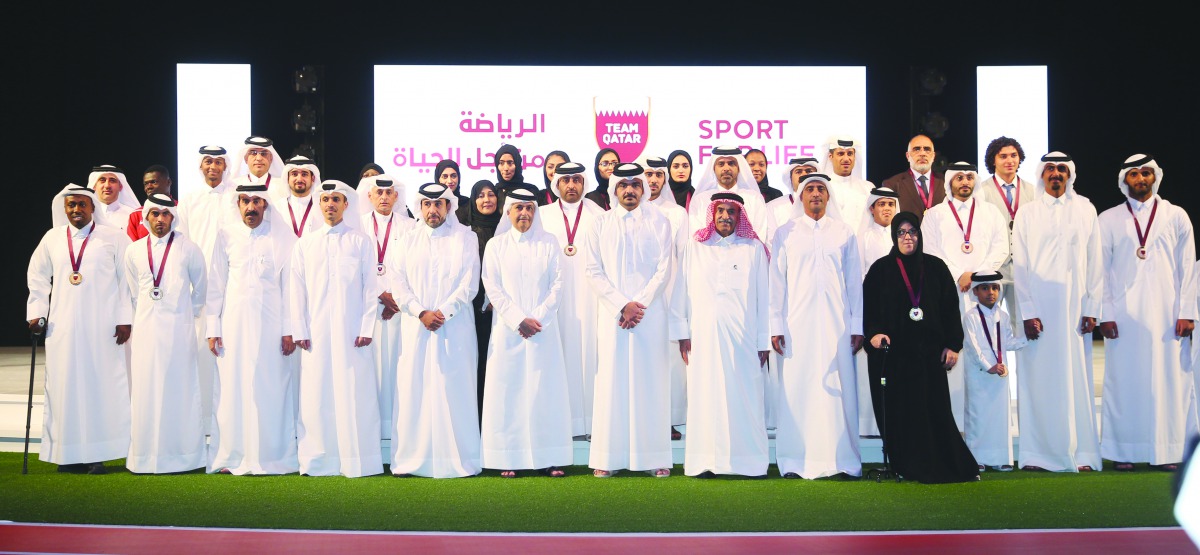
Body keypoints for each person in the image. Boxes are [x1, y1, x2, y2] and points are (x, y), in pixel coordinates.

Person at [863, 211, 979, 483]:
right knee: (903, 413)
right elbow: (868, 308)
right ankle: (908, 464)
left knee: (935, 410)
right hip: (895, 358)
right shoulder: (881, 269)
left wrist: (953, 345)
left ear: (920, 235)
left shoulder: (936, 267)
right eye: (901, 232)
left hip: (929, 356)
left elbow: (951, 309)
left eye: (912, 231)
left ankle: (948, 464)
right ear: (894, 236)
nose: (908, 237)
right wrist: (875, 333)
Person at [1099, 154, 1197, 471]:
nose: (1140, 179)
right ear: (1124, 180)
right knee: (1125, 381)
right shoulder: (1109, 219)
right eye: (1134, 175)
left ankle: (1168, 451)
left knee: (1169, 381)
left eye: (1145, 174)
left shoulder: (1176, 215)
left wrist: (1187, 311)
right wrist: (1106, 313)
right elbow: (1099, 271)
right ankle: (1124, 452)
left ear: (1155, 177)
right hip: (1124, 317)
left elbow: (1187, 268)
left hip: (1169, 316)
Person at [27, 184, 133, 474]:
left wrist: (125, 318)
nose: (76, 210)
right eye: (71, 205)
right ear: (64, 208)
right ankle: (68, 454)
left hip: (103, 328)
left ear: (92, 207)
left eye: (82, 205)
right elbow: (37, 277)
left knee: (100, 388)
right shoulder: (52, 239)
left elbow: (127, 281)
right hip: (62, 328)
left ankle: (98, 454)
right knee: (64, 387)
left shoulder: (113, 237)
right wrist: (37, 313)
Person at [1012, 152, 1103, 472]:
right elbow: (1019, 267)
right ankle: (1038, 455)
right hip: (1040, 315)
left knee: (1075, 380)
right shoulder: (1027, 213)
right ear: (1041, 174)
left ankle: (1082, 455)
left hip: (1076, 311)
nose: (1055, 174)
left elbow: (1095, 263)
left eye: (1061, 169)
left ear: (1069, 175)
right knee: (1038, 381)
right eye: (1049, 169)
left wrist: (1092, 307)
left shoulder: (1085, 209)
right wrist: (1027, 312)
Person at [769, 173, 864, 479]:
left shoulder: (844, 232)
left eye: (821, 189)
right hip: (796, 324)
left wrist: (856, 325)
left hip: (837, 325)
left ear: (828, 196)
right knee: (798, 388)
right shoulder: (785, 232)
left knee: (838, 391)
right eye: (809, 189)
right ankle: (795, 461)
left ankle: (842, 460)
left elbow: (854, 284)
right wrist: (776, 324)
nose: (815, 194)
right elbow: (776, 284)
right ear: (800, 196)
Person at [584, 163, 675, 478]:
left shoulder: (659, 222)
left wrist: (640, 305)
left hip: (649, 316)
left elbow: (665, 268)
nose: (630, 190)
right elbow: (593, 269)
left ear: (644, 189)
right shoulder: (600, 224)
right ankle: (608, 458)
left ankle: (654, 457)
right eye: (624, 185)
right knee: (611, 382)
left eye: (636, 184)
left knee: (650, 383)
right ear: (614, 190)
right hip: (613, 316)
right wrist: (622, 305)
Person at [288, 180, 382, 478]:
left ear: (346, 205)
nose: (330, 204)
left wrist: (368, 325)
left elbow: (371, 288)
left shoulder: (360, 241)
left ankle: (358, 460)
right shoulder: (305, 243)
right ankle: (318, 460)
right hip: (315, 333)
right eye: (325, 199)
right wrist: (299, 328)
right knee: (316, 396)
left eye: (336, 199)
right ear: (319, 204)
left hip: (353, 333)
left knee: (355, 394)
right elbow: (296, 290)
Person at [205, 184, 299, 475]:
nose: (250, 206)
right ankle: (232, 455)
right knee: (233, 388)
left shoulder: (282, 238)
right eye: (245, 200)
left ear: (266, 205)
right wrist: (213, 327)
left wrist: (289, 329)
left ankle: (272, 457)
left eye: (257, 200)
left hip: (272, 328)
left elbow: (290, 287)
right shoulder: (226, 235)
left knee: (271, 388)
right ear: (238, 204)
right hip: (233, 327)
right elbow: (215, 284)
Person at [389, 183, 482, 478]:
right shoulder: (405, 240)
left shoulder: (466, 238)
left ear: (449, 207)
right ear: (420, 207)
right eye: (427, 204)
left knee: (454, 390)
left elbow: (470, 283)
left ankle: (459, 460)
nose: (433, 210)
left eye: (438, 204)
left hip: (455, 327)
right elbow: (397, 282)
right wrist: (420, 312)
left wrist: (443, 312)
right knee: (414, 389)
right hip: (416, 327)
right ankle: (411, 459)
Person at [677, 192, 771, 478]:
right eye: (720, 211)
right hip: (702, 337)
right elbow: (681, 291)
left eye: (731, 212)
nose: (725, 217)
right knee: (705, 396)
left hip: (743, 339)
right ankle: (705, 461)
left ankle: (747, 463)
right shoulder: (696, 247)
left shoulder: (753, 248)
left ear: (739, 216)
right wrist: (682, 333)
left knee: (743, 397)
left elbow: (765, 297)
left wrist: (763, 340)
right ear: (712, 214)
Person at [480, 188, 572, 478]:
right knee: (509, 392)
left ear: (535, 212)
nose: (524, 213)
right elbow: (491, 285)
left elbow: (558, 285)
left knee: (544, 391)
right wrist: (518, 318)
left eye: (529, 208)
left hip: (543, 331)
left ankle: (550, 457)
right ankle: (509, 457)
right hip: (508, 331)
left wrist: (537, 318)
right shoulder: (496, 245)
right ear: (508, 212)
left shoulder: (549, 242)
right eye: (518, 208)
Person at [920, 162, 1009, 432]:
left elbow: (1001, 246)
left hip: (985, 295)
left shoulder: (991, 212)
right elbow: (931, 251)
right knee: (952, 352)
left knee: (986, 351)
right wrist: (959, 274)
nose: (964, 182)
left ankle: (986, 429)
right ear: (949, 182)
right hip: (949, 293)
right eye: (959, 177)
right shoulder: (934, 214)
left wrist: (979, 277)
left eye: (969, 177)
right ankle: (953, 422)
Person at [123, 194, 207, 474]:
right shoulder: (134, 250)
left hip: (178, 332)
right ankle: (145, 457)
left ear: (174, 217)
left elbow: (201, 289)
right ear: (146, 217)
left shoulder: (188, 248)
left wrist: (184, 313)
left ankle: (184, 456)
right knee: (145, 390)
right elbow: (135, 291)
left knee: (179, 390)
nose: (160, 219)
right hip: (146, 331)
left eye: (165, 214)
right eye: (155, 214)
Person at [538, 162, 603, 437]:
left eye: (577, 179)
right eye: (566, 180)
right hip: (554, 300)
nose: (571, 185)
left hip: (591, 300)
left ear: (584, 183)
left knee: (590, 355)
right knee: (557, 357)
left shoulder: (599, 215)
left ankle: (590, 424)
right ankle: (559, 425)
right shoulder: (541, 214)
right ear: (557, 184)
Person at [177, 145, 234, 437]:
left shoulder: (236, 196)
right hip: (198, 287)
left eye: (218, 162)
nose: (213, 167)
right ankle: (201, 423)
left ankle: (226, 422)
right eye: (208, 162)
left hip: (230, 286)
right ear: (200, 167)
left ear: (226, 166)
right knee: (200, 354)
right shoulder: (189, 200)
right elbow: (183, 243)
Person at [358, 175, 414, 439]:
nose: (383, 197)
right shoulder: (356, 224)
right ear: (369, 196)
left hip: (399, 309)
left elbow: (412, 267)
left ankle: (396, 431)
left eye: (388, 192)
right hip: (368, 306)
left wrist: (396, 296)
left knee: (396, 368)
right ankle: (371, 430)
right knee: (370, 369)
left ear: (396, 197)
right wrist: (381, 292)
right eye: (378, 192)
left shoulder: (410, 226)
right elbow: (356, 265)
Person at [643, 156, 689, 439]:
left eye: (658, 175)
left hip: (669, 294)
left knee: (670, 360)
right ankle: (642, 416)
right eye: (648, 174)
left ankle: (669, 419)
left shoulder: (677, 214)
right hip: (636, 297)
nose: (653, 180)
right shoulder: (628, 209)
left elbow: (684, 258)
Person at [961, 272, 1026, 472]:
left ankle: (1000, 458)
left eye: (995, 288)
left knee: (1000, 417)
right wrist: (988, 365)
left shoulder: (1003, 316)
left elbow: (1007, 342)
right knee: (978, 416)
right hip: (978, 374)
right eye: (985, 288)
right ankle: (976, 458)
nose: (991, 292)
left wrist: (1028, 339)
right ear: (975, 292)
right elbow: (972, 346)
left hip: (999, 374)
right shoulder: (970, 316)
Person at [854, 187, 900, 437]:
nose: (886, 209)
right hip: (872, 309)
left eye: (890, 204)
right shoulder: (862, 238)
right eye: (881, 204)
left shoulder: (903, 237)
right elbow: (858, 274)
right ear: (871, 208)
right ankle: (870, 426)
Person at [465, 179, 502, 417]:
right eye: (480, 195)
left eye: (491, 194)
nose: (486, 199)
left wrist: (496, 300)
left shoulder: (505, 228)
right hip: (472, 308)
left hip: (502, 310)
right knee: (476, 363)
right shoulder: (465, 232)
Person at [687, 146, 773, 241]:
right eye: (721, 164)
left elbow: (758, 238)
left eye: (731, 163)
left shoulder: (754, 198)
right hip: (709, 254)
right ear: (713, 168)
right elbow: (696, 239)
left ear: (739, 168)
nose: (726, 168)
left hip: (745, 254)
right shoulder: (700, 200)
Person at [882, 135, 943, 223]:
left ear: (933, 156)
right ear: (908, 156)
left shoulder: (946, 182)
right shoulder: (892, 184)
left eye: (927, 149)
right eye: (917, 149)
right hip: (908, 236)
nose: (922, 153)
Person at [822, 137, 874, 234]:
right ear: (830, 156)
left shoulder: (868, 188)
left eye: (850, 154)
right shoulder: (822, 188)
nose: (846, 159)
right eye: (840, 154)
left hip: (860, 247)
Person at [274, 155, 322, 239]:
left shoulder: (321, 207)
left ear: (313, 178)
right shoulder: (277, 208)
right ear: (287, 178)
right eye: (294, 174)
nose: (299, 179)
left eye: (304, 174)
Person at [765, 157, 820, 228]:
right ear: (790, 178)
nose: (804, 175)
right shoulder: (773, 207)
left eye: (808, 171)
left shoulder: (826, 205)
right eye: (798, 171)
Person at [87, 165, 140, 233]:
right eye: (102, 180)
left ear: (120, 186)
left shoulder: (132, 215)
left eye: (112, 181)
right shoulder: (87, 214)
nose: (107, 186)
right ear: (94, 186)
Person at [126, 165, 173, 241]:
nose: (149, 187)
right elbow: (132, 247)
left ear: (168, 182)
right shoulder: (136, 215)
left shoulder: (181, 208)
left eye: (153, 182)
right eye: (146, 184)